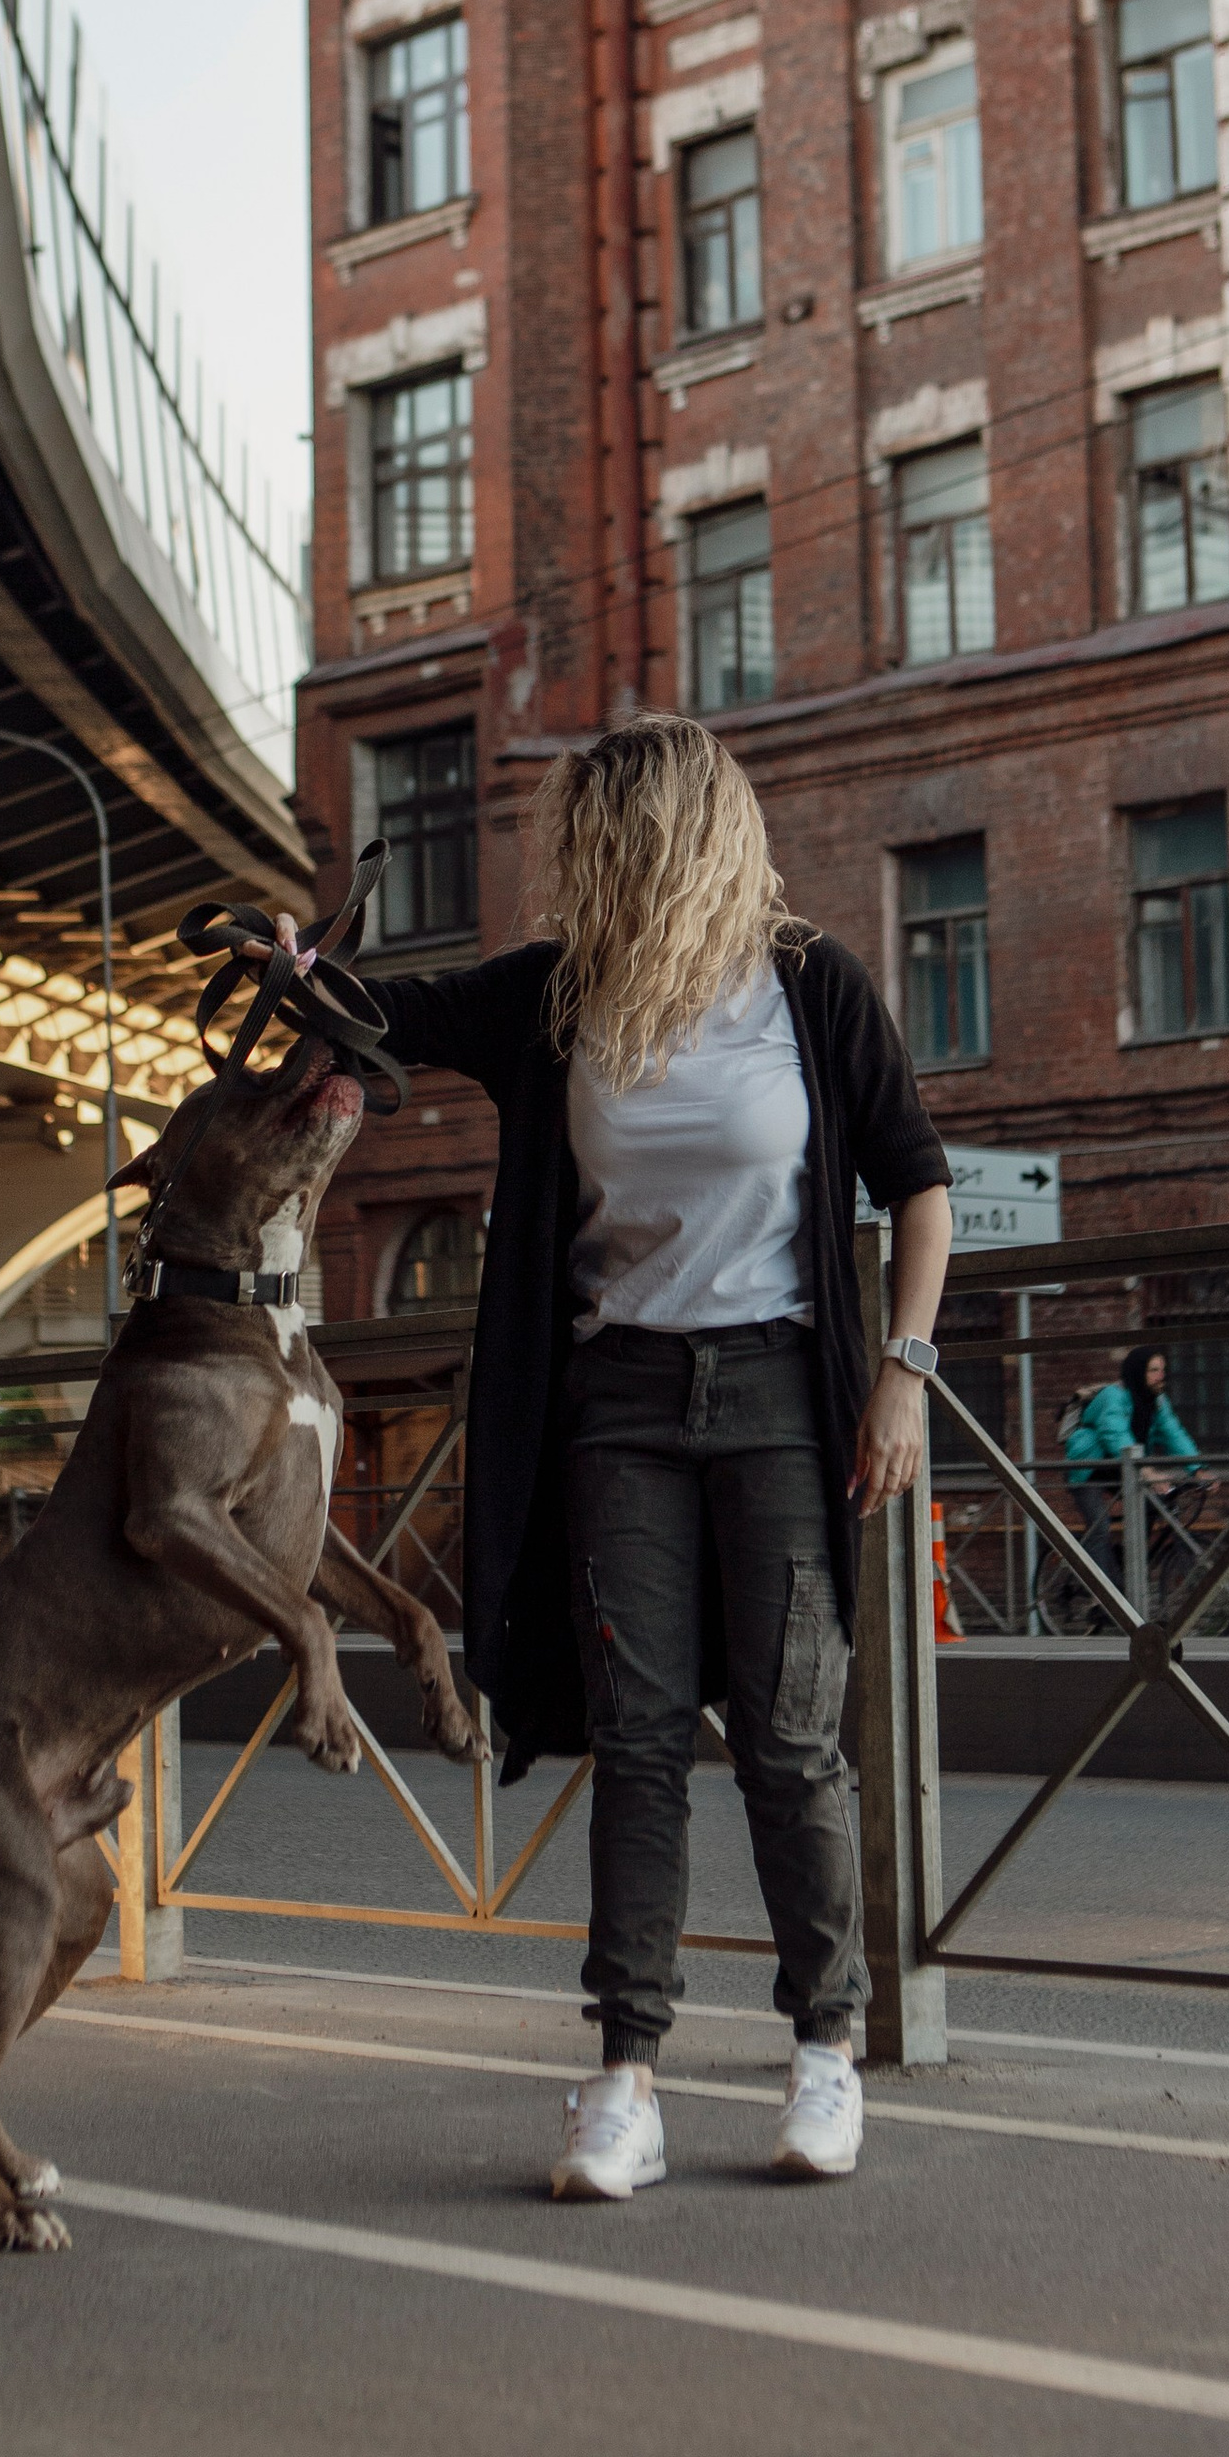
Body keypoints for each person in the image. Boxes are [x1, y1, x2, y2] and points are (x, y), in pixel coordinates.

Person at [278, 717, 951, 2198]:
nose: (576, 865)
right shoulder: (559, 1001)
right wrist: (295, 969)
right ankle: (624, 2080)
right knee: (639, 1743)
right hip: (619, 1405)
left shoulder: (812, 990)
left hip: (784, 1394)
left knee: (787, 1740)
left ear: (669, 838)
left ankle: (826, 2053)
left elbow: (921, 1190)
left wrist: (901, 1374)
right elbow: (388, 1018)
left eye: (596, 836)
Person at [1062, 1343, 1200, 1595]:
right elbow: (1115, 1433)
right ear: (1138, 1373)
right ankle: (1108, 1593)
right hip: (1088, 1467)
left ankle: (1125, 1563)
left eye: (1163, 1370)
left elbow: (1173, 1433)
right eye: (1154, 1370)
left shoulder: (1157, 1402)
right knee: (1099, 1525)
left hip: (1121, 1466)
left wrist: (1198, 1468)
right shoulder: (1113, 1397)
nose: (1161, 1376)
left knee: (1155, 1501)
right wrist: (1145, 1471)